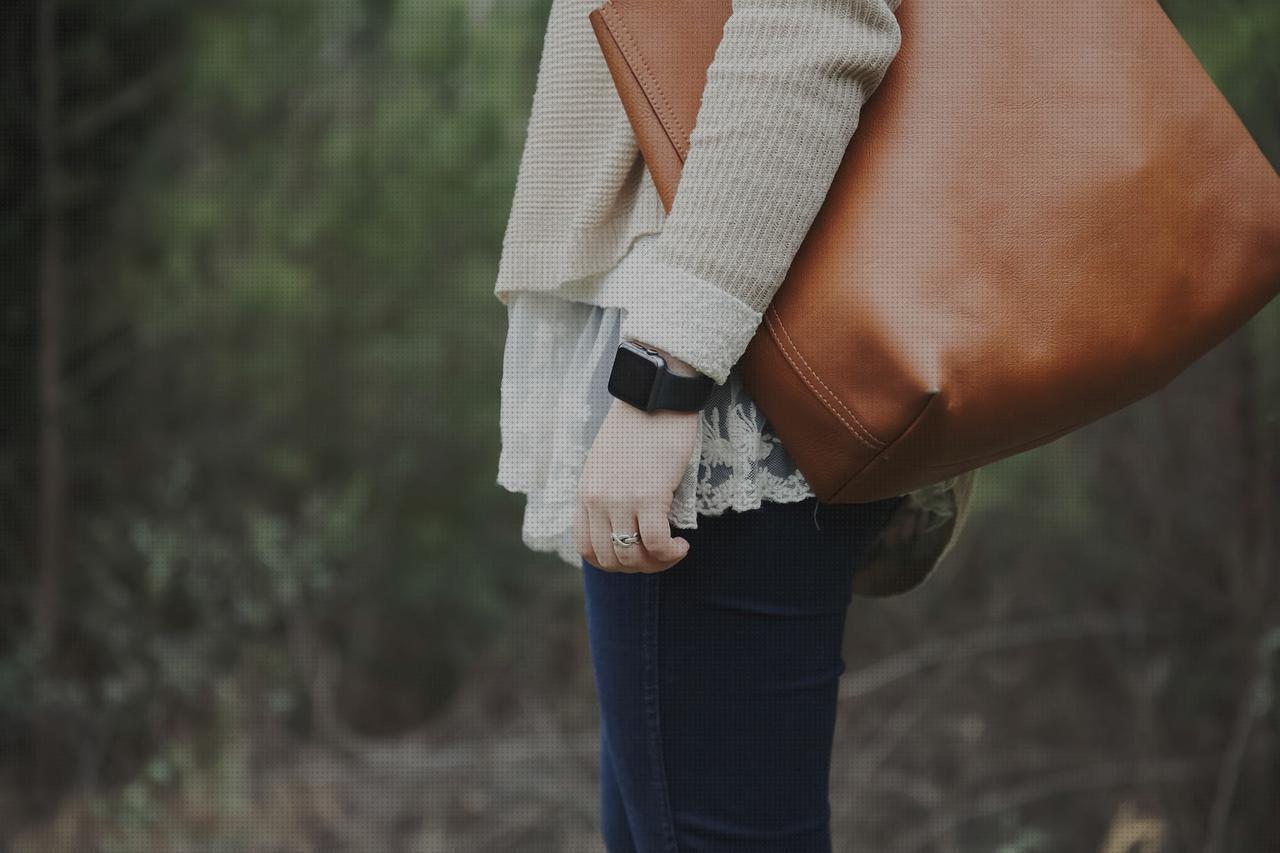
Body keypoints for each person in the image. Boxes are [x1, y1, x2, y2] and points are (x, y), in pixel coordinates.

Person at [494, 0, 976, 848]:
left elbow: (816, 20)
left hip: (723, 359)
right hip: (722, 331)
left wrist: (663, 378)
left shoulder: (680, 377)